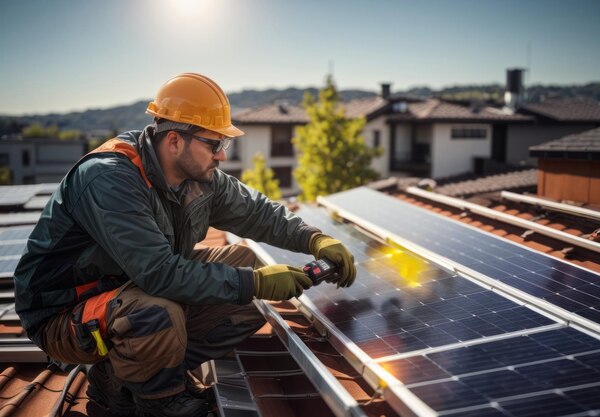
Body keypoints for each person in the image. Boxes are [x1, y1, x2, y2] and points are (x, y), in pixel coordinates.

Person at [13, 73, 356, 417]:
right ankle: (159, 402)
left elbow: (258, 213)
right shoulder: (110, 178)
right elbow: (159, 275)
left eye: (224, 144)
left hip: (128, 290)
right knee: (157, 312)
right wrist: (258, 283)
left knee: (244, 264)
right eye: (214, 144)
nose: (221, 156)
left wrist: (315, 238)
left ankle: (123, 376)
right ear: (175, 140)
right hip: (64, 312)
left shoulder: (199, 178)